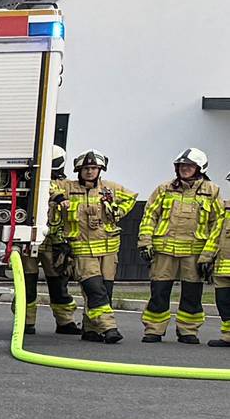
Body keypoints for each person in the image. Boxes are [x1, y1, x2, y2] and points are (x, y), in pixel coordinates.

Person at [139, 148, 220, 345]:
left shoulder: (211, 191)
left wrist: (208, 255)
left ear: (199, 168)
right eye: (182, 165)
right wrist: (145, 242)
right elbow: (150, 216)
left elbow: (217, 224)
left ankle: (188, 331)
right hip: (164, 251)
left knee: (192, 294)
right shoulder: (164, 189)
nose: (185, 169)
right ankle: (154, 329)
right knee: (159, 291)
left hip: (194, 253)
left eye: (190, 166)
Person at [54, 149, 136, 343]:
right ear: (78, 170)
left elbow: (131, 198)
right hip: (82, 249)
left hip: (108, 249)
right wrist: (59, 199)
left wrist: (117, 212)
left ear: (100, 169)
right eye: (86, 168)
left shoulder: (110, 189)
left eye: (94, 168)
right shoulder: (68, 187)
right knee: (94, 289)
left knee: (105, 290)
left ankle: (90, 329)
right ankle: (109, 327)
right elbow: (47, 185)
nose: (90, 172)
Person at [30, 147, 83, 336]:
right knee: (28, 285)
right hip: (32, 241)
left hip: (55, 243)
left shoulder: (66, 184)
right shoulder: (34, 180)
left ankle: (65, 322)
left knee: (59, 285)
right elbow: (46, 188)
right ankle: (26, 322)